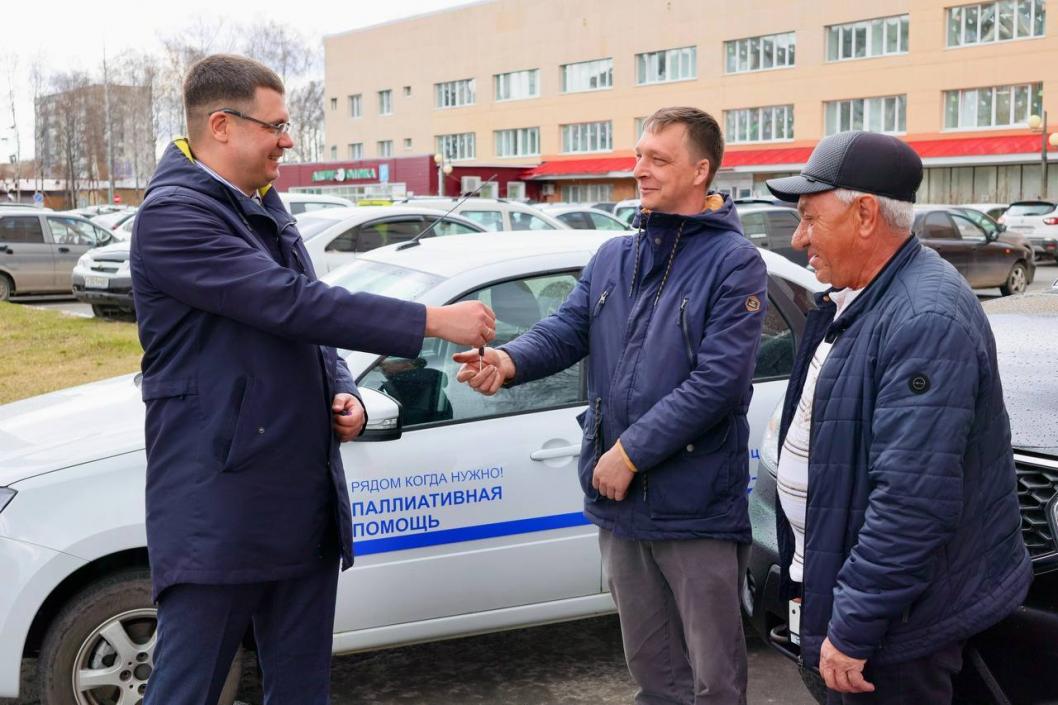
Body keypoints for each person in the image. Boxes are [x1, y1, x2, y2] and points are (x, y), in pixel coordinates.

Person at [130, 54, 495, 705]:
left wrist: (343, 388)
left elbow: (309, 319)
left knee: (302, 691)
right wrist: (432, 321)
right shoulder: (175, 217)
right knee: (186, 690)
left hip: (299, 500)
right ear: (221, 125)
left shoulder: (259, 203)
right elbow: (288, 302)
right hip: (222, 507)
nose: (288, 141)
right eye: (274, 126)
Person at [455, 106, 768, 705]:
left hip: (694, 505)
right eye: (638, 156)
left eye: (658, 159)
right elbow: (566, 330)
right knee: (654, 675)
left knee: (715, 682)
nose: (640, 170)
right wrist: (508, 360)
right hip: (621, 507)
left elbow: (718, 384)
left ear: (701, 170)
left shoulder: (734, 263)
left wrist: (630, 452)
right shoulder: (614, 257)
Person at [765, 131, 1032, 704]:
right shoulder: (863, 296)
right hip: (867, 601)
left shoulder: (922, 318)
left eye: (810, 218)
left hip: (898, 627)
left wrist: (854, 625)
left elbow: (912, 501)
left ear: (865, 214)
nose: (799, 238)